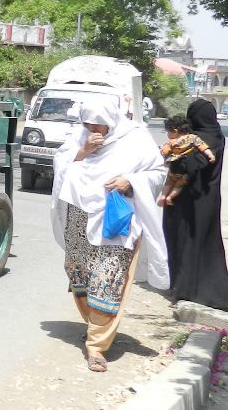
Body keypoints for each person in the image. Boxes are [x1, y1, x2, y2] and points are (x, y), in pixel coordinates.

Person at [51, 97, 168, 372]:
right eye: (88, 123)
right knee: (78, 272)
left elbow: (157, 172)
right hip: (80, 215)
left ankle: (96, 346)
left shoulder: (136, 138)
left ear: (112, 121)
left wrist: (131, 181)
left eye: (99, 124)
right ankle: (93, 324)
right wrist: (83, 151)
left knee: (108, 280)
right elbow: (61, 165)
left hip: (116, 219)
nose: (94, 128)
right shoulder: (79, 136)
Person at [163, 99, 228, 310]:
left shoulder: (199, 139)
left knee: (185, 240)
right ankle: (202, 288)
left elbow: (191, 165)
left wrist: (173, 158)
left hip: (189, 200)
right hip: (208, 199)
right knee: (205, 243)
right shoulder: (216, 135)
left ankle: (185, 289)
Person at [157, 115, 216, 207]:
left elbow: (164, 152)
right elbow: (203, 147)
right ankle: (170, 197)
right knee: (179, 185)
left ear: (175, 131)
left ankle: (164, 196)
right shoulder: (193, 137)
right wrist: (211, 155)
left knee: (169, 182)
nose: (168, 135)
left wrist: (162, 151)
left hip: (174, 166)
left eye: (168, 132)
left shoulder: (171, 142)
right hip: (184, 168)